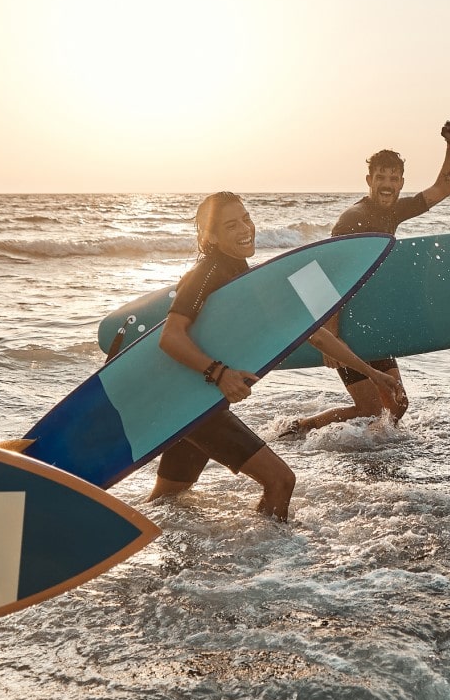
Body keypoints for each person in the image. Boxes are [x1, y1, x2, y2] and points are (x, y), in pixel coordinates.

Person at [148, 192, 405, 519]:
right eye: (231, 225)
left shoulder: (243, 275)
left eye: (246, 218)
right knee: (281, 481)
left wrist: (374, 374)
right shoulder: (207, 273)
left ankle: (164, 559)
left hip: (197, 402)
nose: (245, 228)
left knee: (167, 500)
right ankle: (270, 563)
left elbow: (313, 333)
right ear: (210, 237)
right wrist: (220, 373)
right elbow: (169, 337)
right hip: (192, 407)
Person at [287, 121, 450, 435]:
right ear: (369, 180)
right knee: (371, 408)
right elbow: (331, 276)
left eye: (393, 178)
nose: (387, 183)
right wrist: (331, 338)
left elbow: (443, 189)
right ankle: (301, 430)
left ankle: (370, 445)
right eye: (381, 177)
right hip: (344, 326)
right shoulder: (354, 219)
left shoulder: (394, 212)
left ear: (400, 183)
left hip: (370, 321)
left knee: (396, 404)